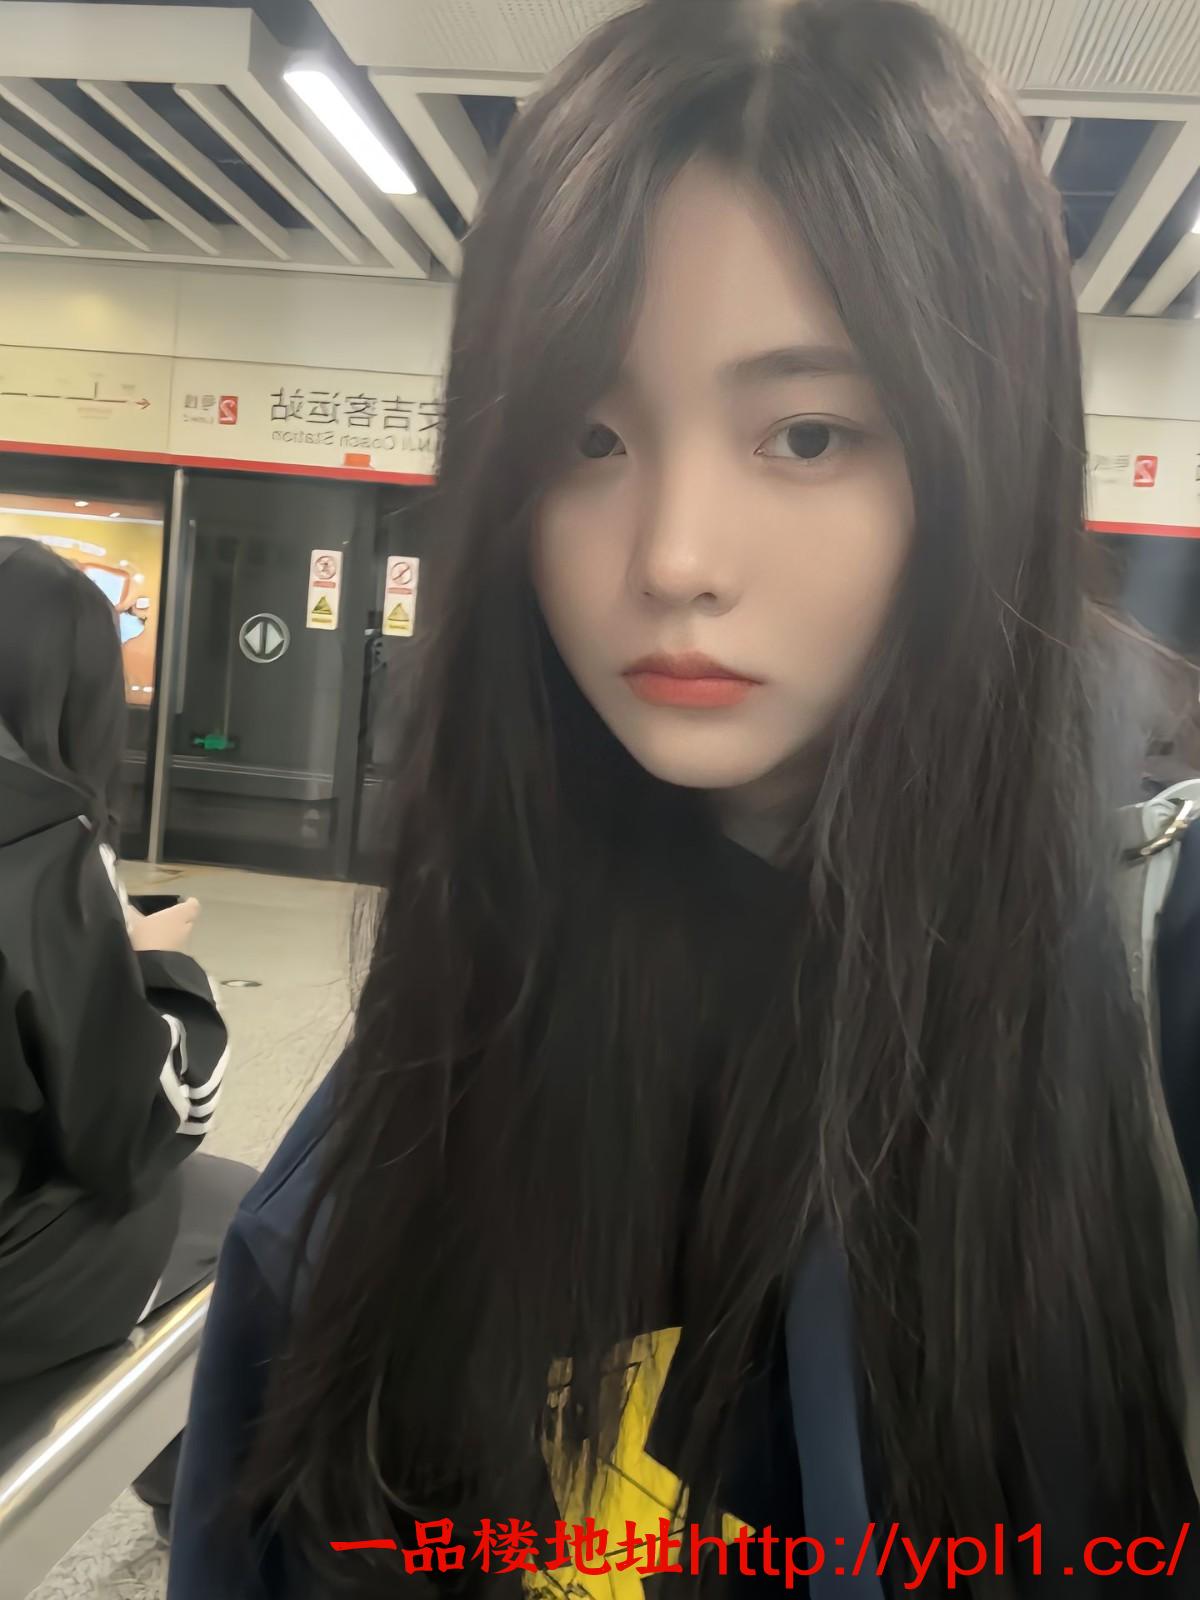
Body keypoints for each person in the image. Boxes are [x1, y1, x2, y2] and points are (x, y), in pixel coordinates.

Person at [168, 0, 1200, 1594]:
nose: (672, 557)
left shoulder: (1149, 968)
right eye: (588, 435)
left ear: (980, 454)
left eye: (807, 434)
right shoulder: (486, 977)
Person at [0, 535, 254, 1527]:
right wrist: (154, 967)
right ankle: (197, 1509)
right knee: (253, 1221)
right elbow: (143, 1125)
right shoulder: (40, 844)